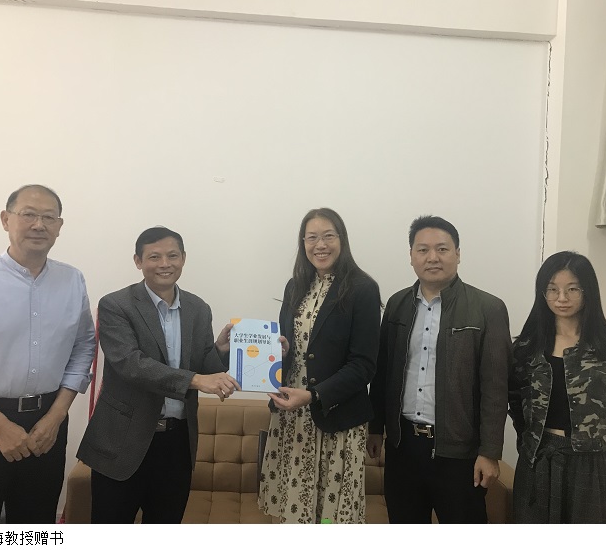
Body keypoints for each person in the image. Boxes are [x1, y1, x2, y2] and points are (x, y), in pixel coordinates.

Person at [0, 185, 96, 523]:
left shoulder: (72, 280)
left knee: (35, 526)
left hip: (46, 425)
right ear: (5, 219)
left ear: (59, 226)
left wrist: (56, 417)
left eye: (49, 217)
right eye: (28, 214)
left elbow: (84, 347)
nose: (39, 224)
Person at [77, 226, 241, 524]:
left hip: (176, 443)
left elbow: (205, 365)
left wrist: (222, 349)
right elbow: (131, 364)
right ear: (138, 261)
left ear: (183, 259)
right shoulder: (116, 305)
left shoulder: (198, 308)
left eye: (172, 256)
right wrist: (194, 381)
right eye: (154, 257)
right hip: (123, 439)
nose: (165, 264)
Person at [367, 215, 512, 523]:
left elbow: (496, 388)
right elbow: (382, 373)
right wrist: (376, 428)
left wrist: (490, 452)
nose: (432, 257)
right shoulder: (397, 305)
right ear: (411, 256)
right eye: (423, 250)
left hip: (460, 454)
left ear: (457, 254)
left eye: (442, 249)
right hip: (403, 447)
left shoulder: (488, 308)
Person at [258, 207, 381, 524]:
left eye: (328, 236)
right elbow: (292, 346)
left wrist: (314, 395)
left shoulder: (362, 289)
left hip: (335, 416)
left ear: (342, 240)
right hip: (292, 416)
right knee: (294, 508)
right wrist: (280, 350)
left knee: (331, 515)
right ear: (303, 243)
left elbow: (364, 365)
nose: (320, 245)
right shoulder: (295, 286)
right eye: (311, 237)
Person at [508, 251, 606, 523]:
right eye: (552, 289)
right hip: (538, 459)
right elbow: (514, 399)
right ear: (542, 293)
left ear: (588, 291)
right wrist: (528, 440)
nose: (561, 298)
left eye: (572, 289)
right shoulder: (526, 349)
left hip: (594, 466)